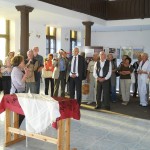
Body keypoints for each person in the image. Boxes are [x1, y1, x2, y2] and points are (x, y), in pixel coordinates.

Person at [10, 55, 29, 126]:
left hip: (19, 92)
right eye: (23, 61)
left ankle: (16, 127)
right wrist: (26, 74)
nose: (24, 62)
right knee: (22, 112)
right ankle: (16, 127)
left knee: (21, 112)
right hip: (17, 93)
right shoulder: (16, 70)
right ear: (19, 62)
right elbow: (20, 82)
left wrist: (25, 72)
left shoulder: (17, 69)